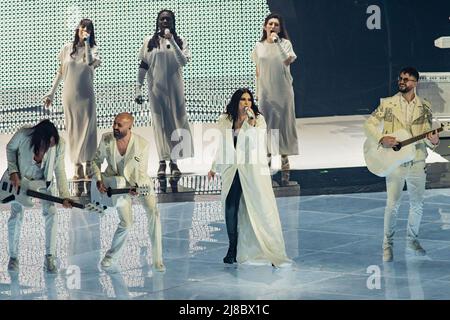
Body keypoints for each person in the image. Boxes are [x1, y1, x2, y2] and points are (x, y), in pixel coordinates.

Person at [208, 88, 291, 267]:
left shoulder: (258, 120)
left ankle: (272, 249)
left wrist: (250, 123)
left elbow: (256, 144)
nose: (247, 103)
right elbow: (222, 146)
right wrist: (214, 167)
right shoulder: (225, 120)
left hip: (251, 170)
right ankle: (232, 249)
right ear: (236, 102)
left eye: (249, 100)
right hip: (232, 169)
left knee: (261, 207)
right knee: (230, 207)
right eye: (243, 100)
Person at [364, 67, 439, 262]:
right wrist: (381, 137)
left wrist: (435, 140)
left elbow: (429, 135)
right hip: (396, 160)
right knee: (392, 204)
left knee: (417, 204)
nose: (402, 81)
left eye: (407, 79)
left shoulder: (425, 107)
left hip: (417, 159)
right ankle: (387, 245)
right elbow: (369, 124)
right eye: (401, 78)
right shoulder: (388, 104)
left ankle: (412, 241)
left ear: (416, 83)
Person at [91, 112, 165, 271]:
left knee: (153, 212)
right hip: (118, 185)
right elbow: (96, 161)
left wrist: (136, 188)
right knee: (126, 222)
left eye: (119, 125)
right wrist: (99, 179)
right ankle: (111, 257)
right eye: (114, 123)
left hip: (139, 183)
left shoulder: (142, 145)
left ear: (129, 126)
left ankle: (158, 260)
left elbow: (142, 172)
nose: (115, 127)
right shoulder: (107, 139)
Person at [6, 119, 73, 273]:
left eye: (51, 144)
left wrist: (65, 195)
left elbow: (60, 170)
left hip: (44, 183)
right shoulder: (24, 134)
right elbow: (10, 148)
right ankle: (13, 257)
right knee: (15, 216)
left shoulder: (60, 145)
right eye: (46, 144)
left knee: (52, 213)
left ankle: (50, 257)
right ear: (38, 137)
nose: (49, 147)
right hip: (21, 182)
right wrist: (13, 171)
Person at [135, 9, 193, 178]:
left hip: (175, 92)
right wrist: (138, 88)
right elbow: (143, 66)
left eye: (168, 19)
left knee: (175, 126)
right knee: (159, 126)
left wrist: (172, 41)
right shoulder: (149, 42)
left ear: (173, 22)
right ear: (158, 22)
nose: (165, 22)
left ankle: (174, 162)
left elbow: (182, 61)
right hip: (156, 91)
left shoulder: (181, 41)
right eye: (162, 19)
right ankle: (162, 162)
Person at [43, 18, 101, 180]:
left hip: (86, 95)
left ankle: (89, 163)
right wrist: (51, 93)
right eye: (83, 27)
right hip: (69, 96)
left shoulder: (94, 49)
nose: (85, 30)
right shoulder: (67, 49)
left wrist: (87, 43)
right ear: (77, 29)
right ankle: (77, 165)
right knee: (73, 130)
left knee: (88, 130)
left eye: (88, 28)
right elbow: (60, 72)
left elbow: (89, 62)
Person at [251, 13, 299, 185]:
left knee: (284, 125)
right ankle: (268, 163)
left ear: (280, 29)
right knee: (267, 126)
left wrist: (277, 42)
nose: (273, 26)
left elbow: (287, 61)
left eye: (276, 25)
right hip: (266, 92)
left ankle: (285, 163)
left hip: (283, 92)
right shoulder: (259, 46)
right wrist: (257, 92)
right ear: (265, 27)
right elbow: (258, 71)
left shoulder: (285, 44)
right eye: (270, 24)